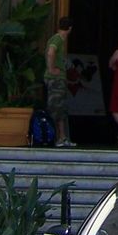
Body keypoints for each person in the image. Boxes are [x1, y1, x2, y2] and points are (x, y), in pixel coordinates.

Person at [45, 15, 75, 148]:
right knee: (57, 108)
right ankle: (59, 137)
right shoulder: (57, 39)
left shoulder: (58, 39)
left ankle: (62, 137)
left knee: (60, 107)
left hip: (58, 78)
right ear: (70, 28)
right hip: (56, 79)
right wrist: (51, 68)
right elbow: (51, 52)